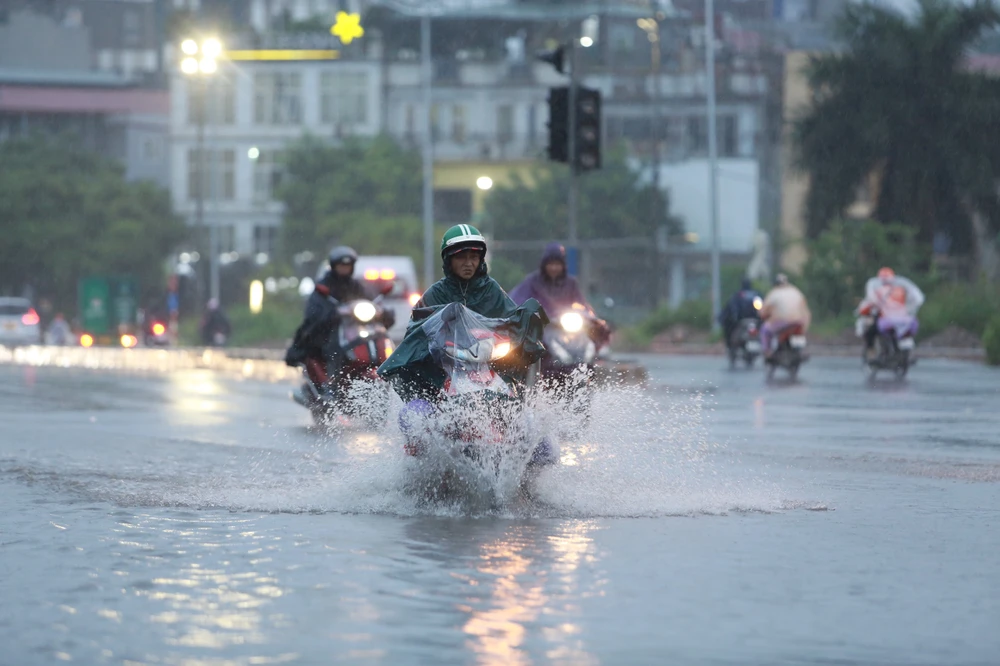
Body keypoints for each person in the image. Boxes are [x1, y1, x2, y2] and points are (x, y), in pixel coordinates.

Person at [285, 246, 392, 391]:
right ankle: (332, 383)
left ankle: (390, 373)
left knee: (379, 337)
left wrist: (382, 312)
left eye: (347, 265)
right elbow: (315, 312)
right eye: (341, 265)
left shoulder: (356, 286)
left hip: (355, 331)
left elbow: (369, 300)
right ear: (334, 266)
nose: (344, 268)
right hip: (331, 331)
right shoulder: (323, 288)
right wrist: (334, 314)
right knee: (334, 346)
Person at [413, 225, 518, 317]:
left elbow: (514, 320)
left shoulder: (492, 290)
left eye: (474, 257)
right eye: (461, 257)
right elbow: (416, 333)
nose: (468, 263)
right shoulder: (435, 295)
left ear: (481, 260)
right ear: (448, 260)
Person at [857, 266, 925, 359]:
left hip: (887, 320)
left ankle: (872, 350)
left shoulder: (882, 287)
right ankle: (877, 350)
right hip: (899, 319)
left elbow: (870, 301)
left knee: (871, 329)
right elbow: (918, 299)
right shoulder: (898, 287)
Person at [759, 273, 811, 358]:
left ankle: (767, 352)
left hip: (783, 323)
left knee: (765, 330)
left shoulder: (774, 293)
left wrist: (763, 314)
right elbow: (805, 310)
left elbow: (763, 312)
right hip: (799, 322)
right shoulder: (796, 291)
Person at [717, 277, 763, 348]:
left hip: (742, 320)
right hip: (755, 319)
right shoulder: (756, 294)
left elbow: (732, 309)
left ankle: (730, 346)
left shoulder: (738, 295)